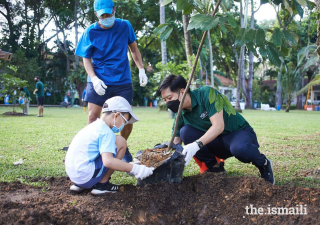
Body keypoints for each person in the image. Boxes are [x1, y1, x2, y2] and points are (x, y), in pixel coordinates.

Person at [156, 75, 275, 184]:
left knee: (240, 149)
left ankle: (264, 164)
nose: (167, 103)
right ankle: (215, 167)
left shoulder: (207, 94)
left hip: (236, 133)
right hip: (216, 143)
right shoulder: (180, 113)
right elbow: (176, 140)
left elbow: (218, 126)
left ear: (182, 91)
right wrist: (162, 157)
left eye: (169, 98)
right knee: (185, 132)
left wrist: (196, 145)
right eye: (165, 100)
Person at [75, 0, 148, 163]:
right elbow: (86, 59)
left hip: (122, 79)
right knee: (93, 116)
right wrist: (93, 79)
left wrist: (141, 69)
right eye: (103, 15)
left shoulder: (124, 26)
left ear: (114, 10)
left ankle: (124, 147)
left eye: (109, 13)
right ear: (96, 15)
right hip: (98, 79)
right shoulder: (90, 31)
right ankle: (93, 150)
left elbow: (134, 49)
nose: (106, 17)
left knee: (127, 118)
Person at [65, 96, 154, 195]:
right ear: (116, 115)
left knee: (113, 143)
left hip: (75, 176)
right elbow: (108, 162)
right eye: (124, 121)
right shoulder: (106, 132)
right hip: (85, 176)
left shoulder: (93, 127)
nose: (123, 125)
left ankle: (79, 185)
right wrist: (136, 169)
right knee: (121, 142)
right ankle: (102, 185)